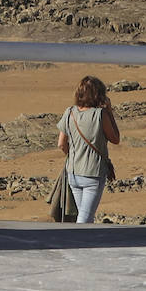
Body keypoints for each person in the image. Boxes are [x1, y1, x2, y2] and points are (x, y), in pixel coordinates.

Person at [55, 75, 120, 223]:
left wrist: (72, 157)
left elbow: (61, 144)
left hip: (73, 172)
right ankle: (78, 244)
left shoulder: (69, 112)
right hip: (93, 173)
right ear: (99, 94)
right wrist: (109, 111)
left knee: (84, 216)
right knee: (85, 218)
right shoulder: (100, 114)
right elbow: (115, 139)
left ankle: (84, 243)